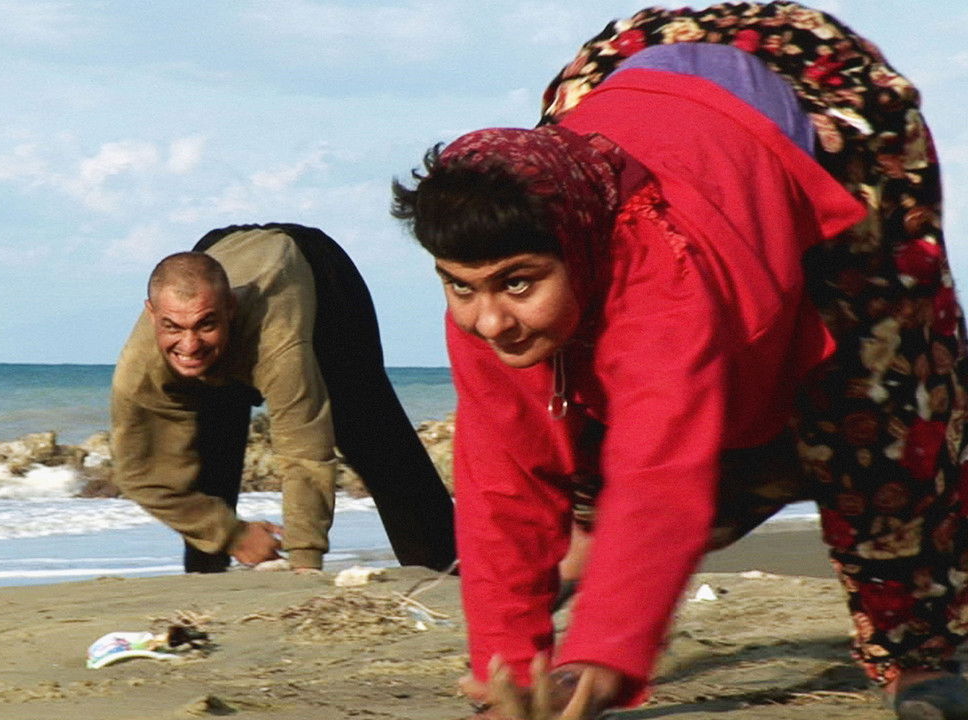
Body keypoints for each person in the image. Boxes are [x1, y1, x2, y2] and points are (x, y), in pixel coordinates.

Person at [391, 2, 967, 718]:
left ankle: (919, 655)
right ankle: (588, 544)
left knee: (880, 390)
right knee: (570, 400)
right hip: (627, 67)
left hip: (822, 93)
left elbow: (662, 468)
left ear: (577, 250)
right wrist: (508, 662)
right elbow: (499, 480)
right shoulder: (499, 275)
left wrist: (601, 657)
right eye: (459, 288)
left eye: (518, 282)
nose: (490, 320)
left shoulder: (665, 276)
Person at [110, 222, 457, 575]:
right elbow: (137, 473)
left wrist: (305, 562)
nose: (188, 345)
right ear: (152, 314)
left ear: (230, 309)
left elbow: (305, 452)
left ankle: (449, 573)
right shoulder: (140, 368)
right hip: (221, 250)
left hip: (316, 274)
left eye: (204, 325)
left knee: (374, 438)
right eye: (172, 328)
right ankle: (206, 586)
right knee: (208, 461)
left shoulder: (278, 345)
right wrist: (230, 534)